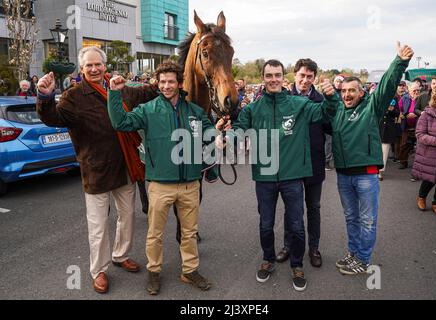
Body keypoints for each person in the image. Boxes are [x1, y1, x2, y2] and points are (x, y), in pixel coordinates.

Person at [36, 46, 157, 294]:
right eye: (89, 65)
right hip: (96, 169)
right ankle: (99, 270)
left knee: (128, 216)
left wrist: (171, 77)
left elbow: (144, 94)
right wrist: (46, 97)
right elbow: (53, 118)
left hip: (124, 164)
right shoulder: (73, 96)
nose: (94, 69)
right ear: (82, 69)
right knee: (99, 225)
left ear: (105, 66)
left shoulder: (118, 87)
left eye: (98, 64)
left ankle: (121, 255)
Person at [219, 59, 339, 292]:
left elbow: (326, 113)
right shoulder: (253, 108)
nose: (273, 79)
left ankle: (296, 264)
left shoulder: (299, 104)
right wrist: (227, 138)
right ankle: (268, 259)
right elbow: (240, 128)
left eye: (277, 75)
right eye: (268, 75)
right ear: (263, 78)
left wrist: (332, 96)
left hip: (293, 177)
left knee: (296, 224)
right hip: (264, 178)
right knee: (266, 224)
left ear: (283, 78)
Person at [108, 60, 221, 296]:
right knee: (155, 234)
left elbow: (209, 132)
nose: (166, 86)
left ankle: (189, 270)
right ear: (157, 84)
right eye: (162, 82)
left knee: (189, 233)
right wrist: (115, 95)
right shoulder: (148, 110)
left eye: (171, 81)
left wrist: (218, 132)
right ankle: (154, 271)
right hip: (160, 185)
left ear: (179, 83)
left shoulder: (195, 111)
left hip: (190, 183)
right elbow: (120, 123)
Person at [331, 42, 413, 275]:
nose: (347, 95)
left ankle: (364, 259)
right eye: (343, 91)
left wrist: (399, 61)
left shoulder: (372, 107)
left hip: (366, 175)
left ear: (361, 92)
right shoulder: (337, 111)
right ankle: (353, 252)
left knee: (367, 220)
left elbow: (387, 86)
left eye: (351, 91)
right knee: (351, 218)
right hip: (343, 176)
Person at [275, 58, 331, 268]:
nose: (305, 80)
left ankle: (314, 247)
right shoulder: (283, 98)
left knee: (313, 208)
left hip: (314, 163)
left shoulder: (320, 99)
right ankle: (288, 245)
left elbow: (331, 128)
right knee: (292, 209)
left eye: (309, 76)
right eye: (302, 75)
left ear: (314, 78)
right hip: (290, 165)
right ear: (294, 75)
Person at [413, 89, 436, 217]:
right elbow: (420, 134)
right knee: (431, 177)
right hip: (431, 152)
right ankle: (421, 197)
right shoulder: (427, 114)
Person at [398, 82, 421, 169]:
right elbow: (399, 109)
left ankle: (418, 165)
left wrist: (416, 114)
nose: (416, 92)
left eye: (418, 90)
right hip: (406, 125)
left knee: (419, 147)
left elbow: (425, 109)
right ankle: (403, 162)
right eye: (414, 90)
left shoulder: (421, 98)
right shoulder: (404, 98)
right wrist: (402, 114)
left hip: (418, 126)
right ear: (409, 90)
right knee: (404, 145)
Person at [378, 98, 400, 180]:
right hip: (377, 127)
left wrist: (392, 110)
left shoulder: (394, 99)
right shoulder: (377, 97)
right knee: (374, 150)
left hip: (388, 130)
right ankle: (372, 170)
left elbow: (397, 113)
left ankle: (380, 171)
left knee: (384, 151)